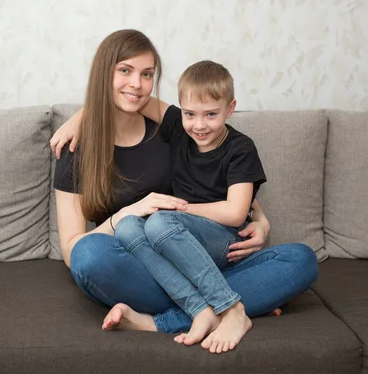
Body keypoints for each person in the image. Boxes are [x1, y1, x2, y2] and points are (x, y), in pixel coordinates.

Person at [51, 29, 318, 354]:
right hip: (142, 261)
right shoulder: (75, 149)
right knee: (88, 256)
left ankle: (173, 318)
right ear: (104, 73)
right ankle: (234, 305)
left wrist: (260, 218)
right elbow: (69, 250)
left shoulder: (173, 128)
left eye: (146, 74)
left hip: (206, 252)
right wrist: (125, 213)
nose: (136, 83)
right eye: (125, 70)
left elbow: (219, 173)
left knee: (301, 260)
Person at [111, 60, 268, 353]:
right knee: (127, 225)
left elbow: (235, 214)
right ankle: (200, 310)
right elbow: (134, 98)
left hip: (223, 239)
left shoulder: (240, 148)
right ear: (180, 109)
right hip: (178, 235)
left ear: (230, 109)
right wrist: (76, 120)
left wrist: (177, 210)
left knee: (158, 222)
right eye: (189, 114)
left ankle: (230, 309)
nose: (199, 125)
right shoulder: (178, 128)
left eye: (211, 114)